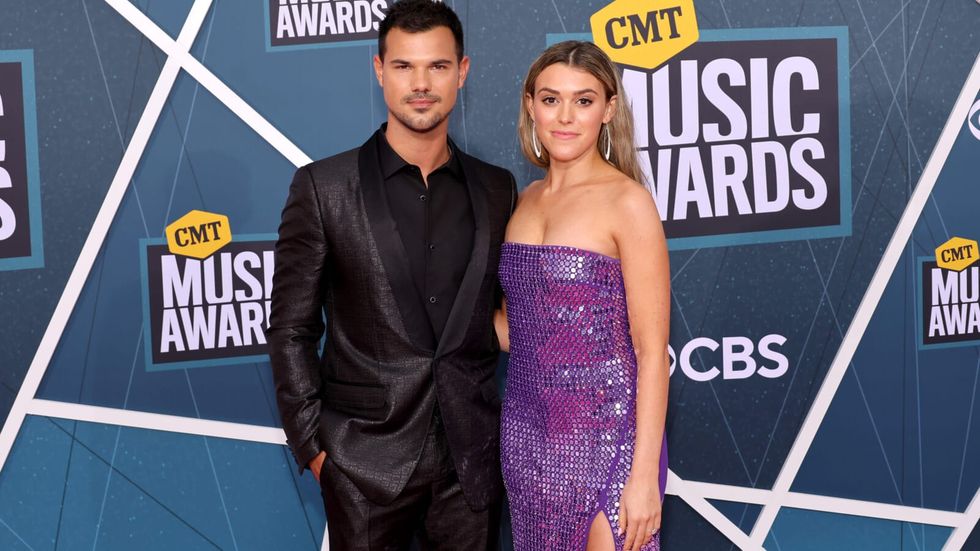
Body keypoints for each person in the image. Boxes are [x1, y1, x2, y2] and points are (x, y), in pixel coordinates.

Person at [266, 1, 516, 548]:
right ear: (379, 70)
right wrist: (315, 449)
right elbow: (291, 329)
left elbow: (500, 315)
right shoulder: (322, 188)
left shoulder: (497, 189)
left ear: (463, 71)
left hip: (470, 467)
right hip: (362, 465)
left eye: (438, 66)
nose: (421, 84)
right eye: (404, 66)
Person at [494, 41, 670, 551]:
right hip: (527, 437)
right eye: (550, 100)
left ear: (609, 109)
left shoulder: (628, 202)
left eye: (584, 100)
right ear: (531, 106)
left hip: (610, 436)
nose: (565, 117)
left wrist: (642, 479)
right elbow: (523, 333)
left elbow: (651, 352)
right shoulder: (522, 201)